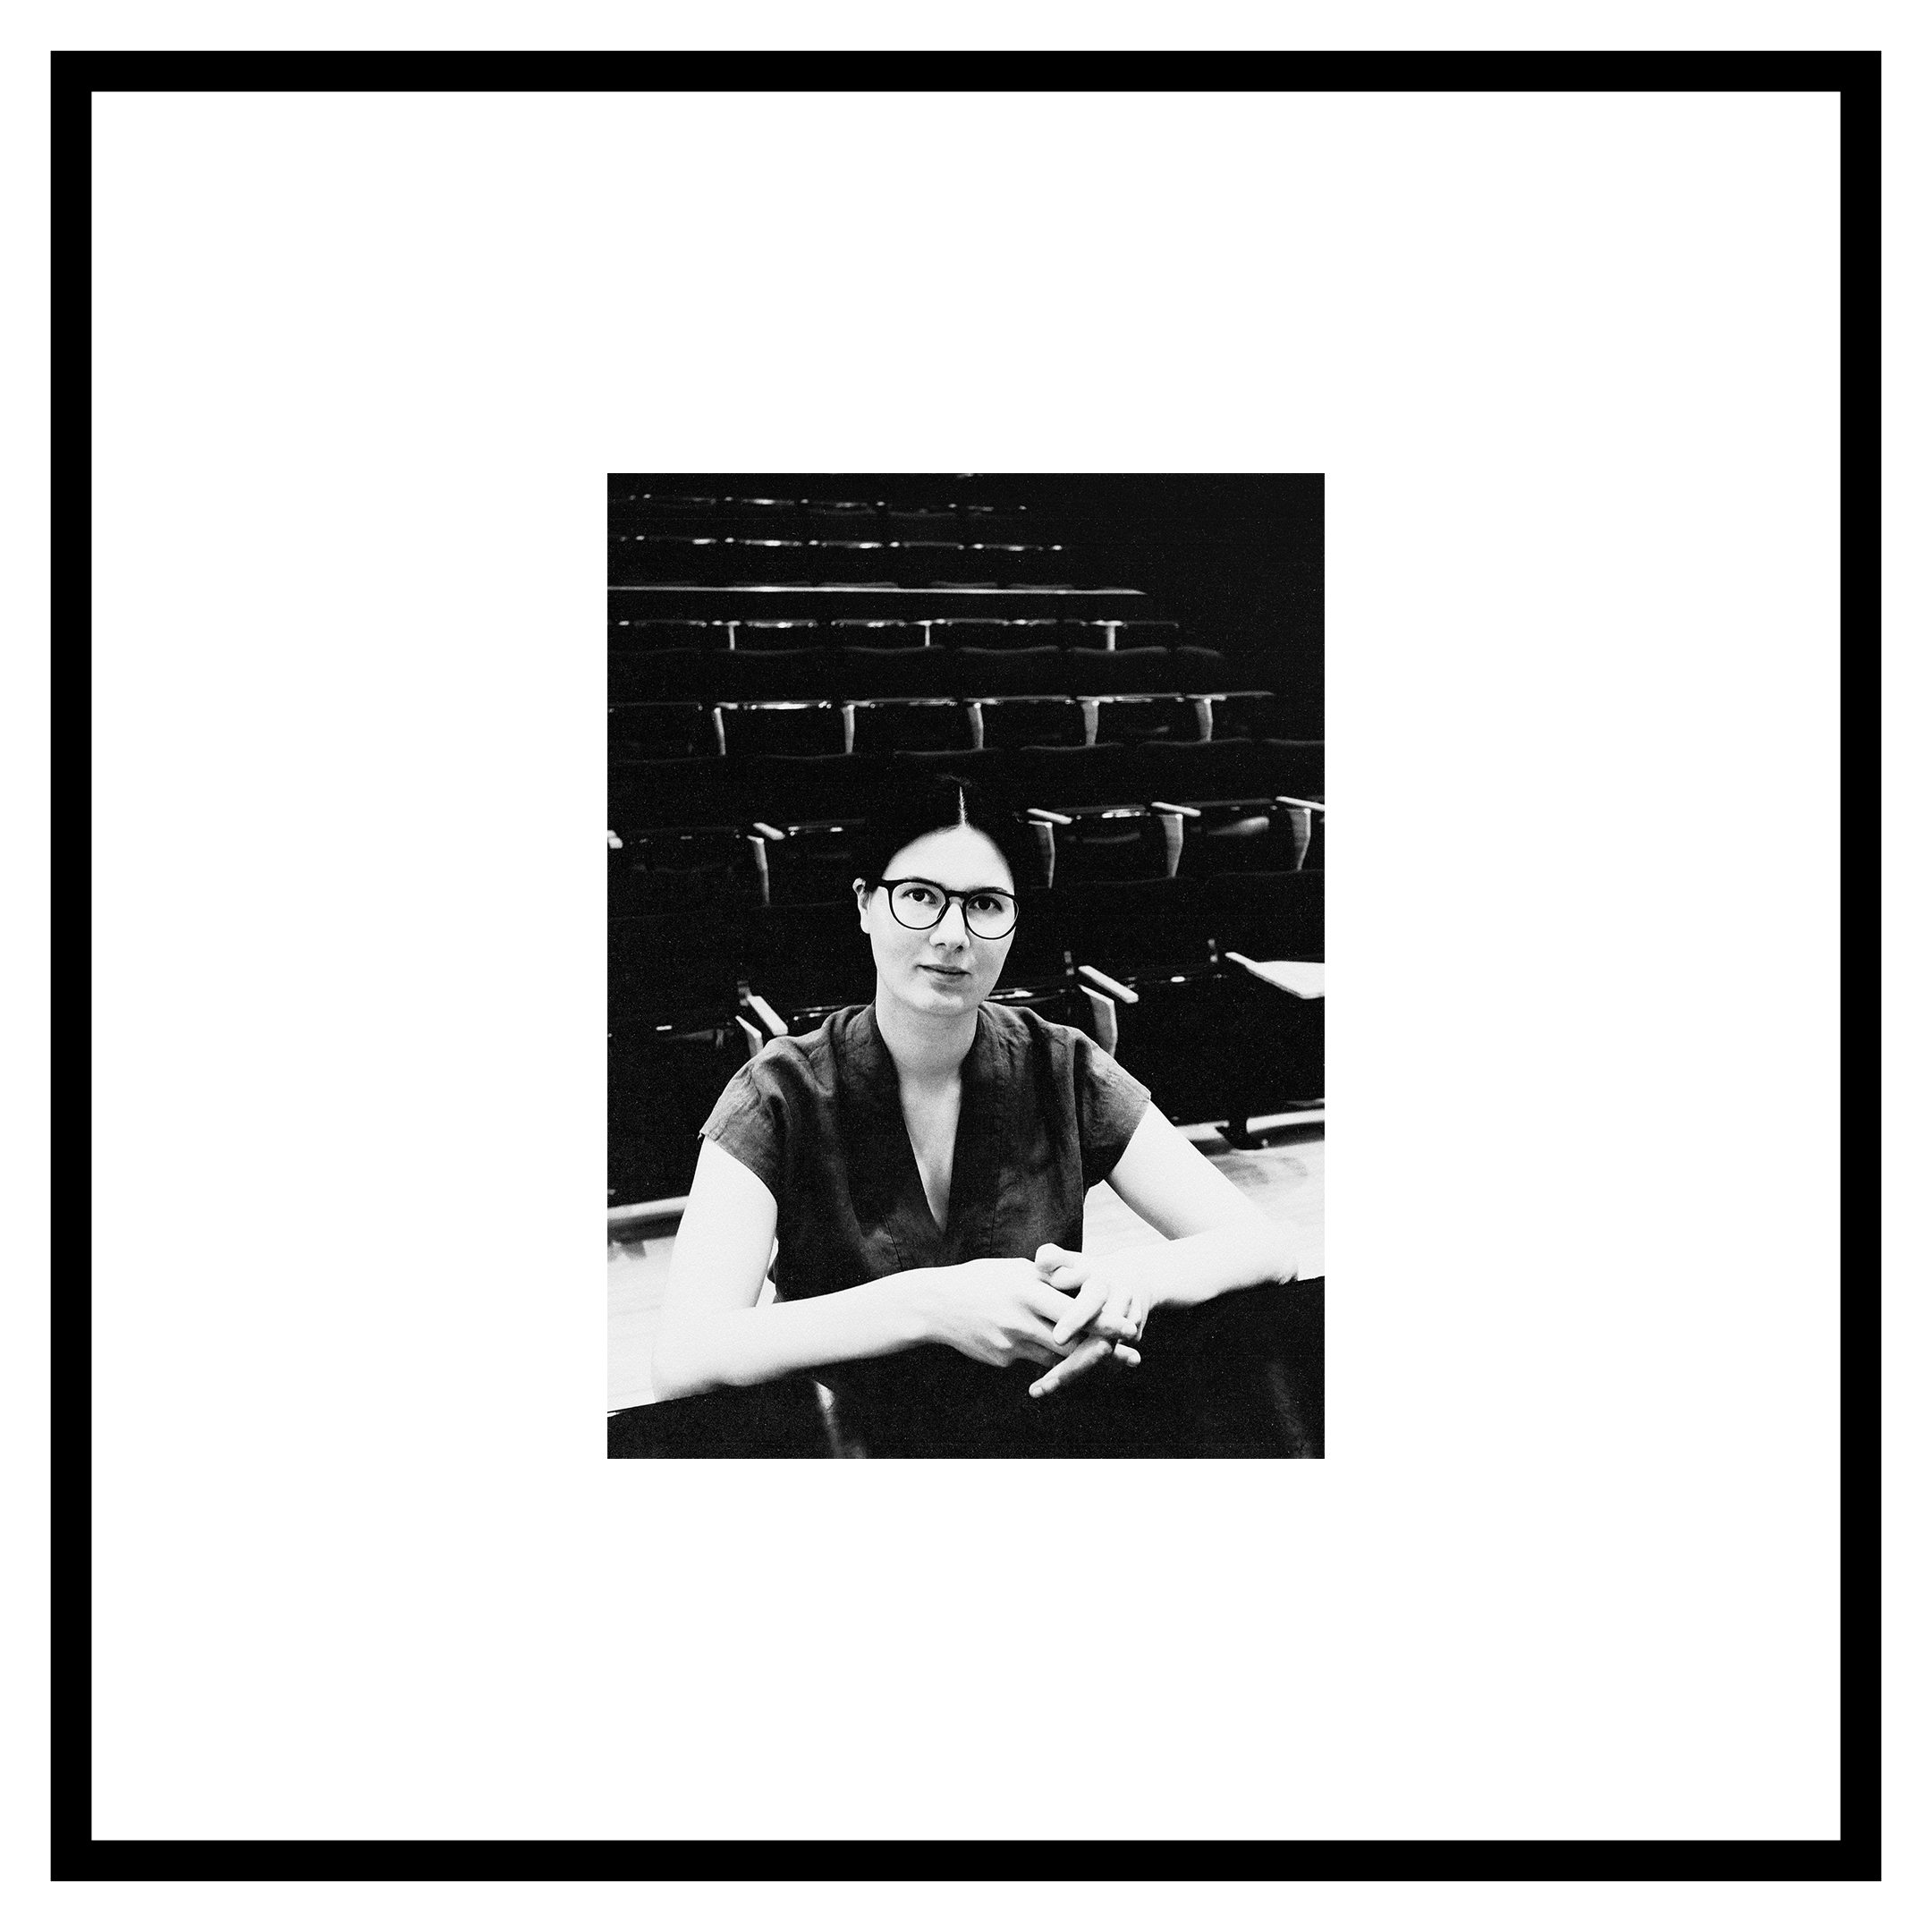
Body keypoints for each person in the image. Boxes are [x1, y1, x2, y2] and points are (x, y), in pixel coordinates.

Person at [650, 768, 1306, 1454]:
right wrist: (932, 1306)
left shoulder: (1061, 1065)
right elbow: (685, 1354)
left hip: (1033, 1439)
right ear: (865, 903)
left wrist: (1131, 1282)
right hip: (850, 1452)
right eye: (920, 897)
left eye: (986, 905)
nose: (952, 934)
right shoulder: (779, 1090)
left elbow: (1268, 1246)